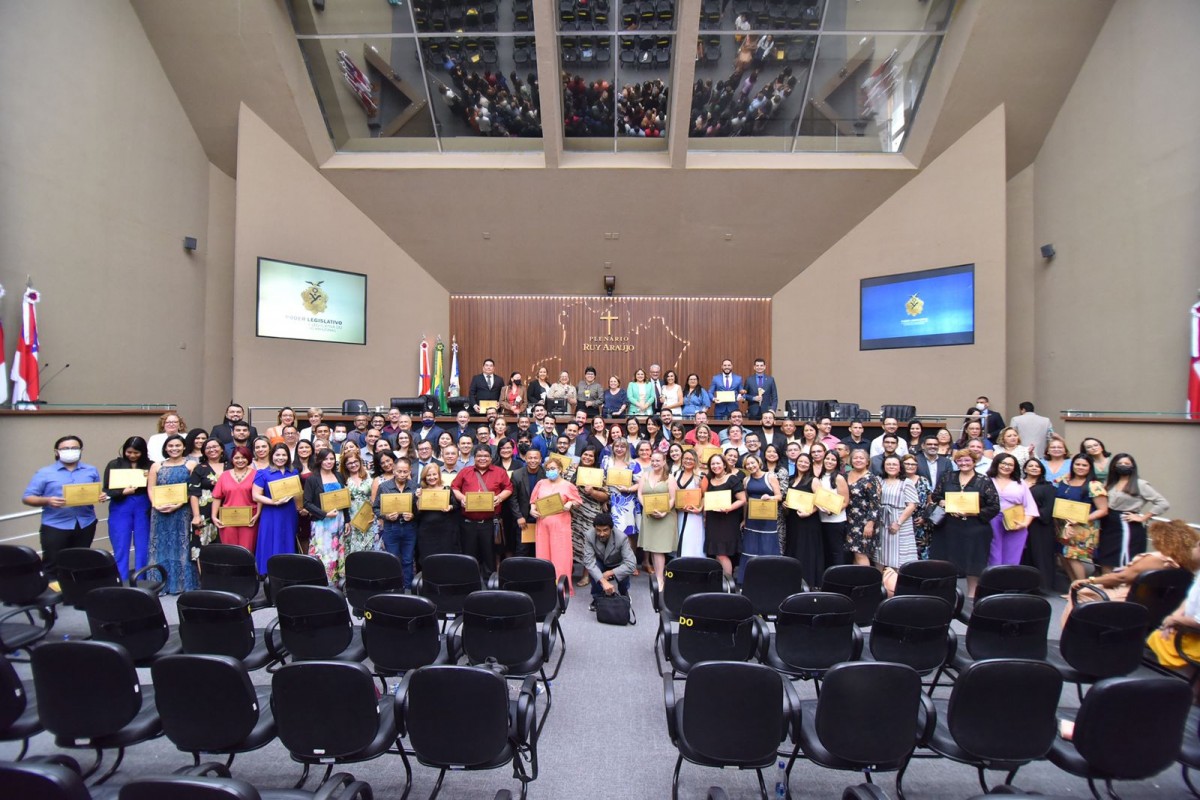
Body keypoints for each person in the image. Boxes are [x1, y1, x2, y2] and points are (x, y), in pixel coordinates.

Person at [1069, 518, 1198, 623]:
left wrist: (1090, 580)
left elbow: (1121, 578)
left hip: (1130, 599)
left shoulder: (1156, 559)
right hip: (1156, 606)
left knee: (1079, 590)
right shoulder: (1185, 563)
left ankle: (1072, 635)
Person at [930, 448, 1001, 595]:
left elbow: (994, 507)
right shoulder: (947, 477)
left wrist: (974, 512)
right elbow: (936, 495)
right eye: (960, 460)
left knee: (973, 563)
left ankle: (971, 596)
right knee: (946, 562)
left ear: (974, 462)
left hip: (975, 528)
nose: (963, 463)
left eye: (967, 460)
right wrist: (943, 502)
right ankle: (946, 594)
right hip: (948, 527)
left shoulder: (984, 481)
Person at [1097, 453, 1169, 573]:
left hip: (1126, 525)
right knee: (1106, 559)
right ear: (1114, 466)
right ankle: (1106, 590)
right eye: (1119, 463)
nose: (1123, 466)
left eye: (1126, 464)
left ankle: (1123, 591)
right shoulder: (1109, 483)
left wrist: (1144, 517)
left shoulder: (1141, 484)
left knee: (1125, 562)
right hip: (1108, 525)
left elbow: (1162, 503)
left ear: (1133, 466)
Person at [451, 444, 514, 579]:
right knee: (468, 556)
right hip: (468, 523)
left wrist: (499, 498)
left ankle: (489, 586)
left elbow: (509, 488)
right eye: (479, 456)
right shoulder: (465, 471)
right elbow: (454, 487)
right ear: (474, 458)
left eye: (486, 456)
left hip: (489, 523)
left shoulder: (499, 472)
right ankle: (469, 583)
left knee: (489, 556)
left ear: (491, 458)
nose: (482, 458)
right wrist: (461, 498)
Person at [147, 434, 197, 593]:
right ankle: (159, 584)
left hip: (182, 511)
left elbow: (192, 489)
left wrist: (178, 504)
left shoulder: (191, 465)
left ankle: (182, 584)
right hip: (159, 512)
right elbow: (151, 488)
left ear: (183, 447)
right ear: (165, 448)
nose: (174, 449)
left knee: (182, 545)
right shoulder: (156, 466)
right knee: (160, 545)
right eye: (170, 446)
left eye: (177, 446)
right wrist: (156, 504)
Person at [529, 453, 582, 593]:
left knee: (561, 555)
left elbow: (578, 501)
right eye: (547, 469)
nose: (550, 471)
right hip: (543, 524)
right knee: (543, 554)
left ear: (560, 469)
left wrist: (570, 503)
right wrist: (532, 510)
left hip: (560, 524)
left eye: (553, 468)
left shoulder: (568, 485)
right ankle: (544, 585)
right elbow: (533, 501)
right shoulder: (540, 483)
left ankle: (561, 586)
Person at [103, 437, 152, 581]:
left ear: (143, 452)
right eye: (129, 452)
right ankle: (122, 580)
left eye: (136, 453)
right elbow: (106, 490)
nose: (132, 455)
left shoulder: (150, 465)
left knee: (143, 545)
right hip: (121, 505)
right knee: (121, 545)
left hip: (143, 504)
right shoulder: (115, 464)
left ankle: (142, 580)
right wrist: (121, 492)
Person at [1055, 454, 1109, 583]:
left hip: (1083, 527)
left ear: (1090, 468)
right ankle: (1073, 587)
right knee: (1064, 555)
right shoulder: (1064, 480)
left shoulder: (1094, 485)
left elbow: (1103, 510)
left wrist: (1080, 519)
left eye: (1084, 465)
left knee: (1073, 555)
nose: (1080, 467)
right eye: (1077, 464)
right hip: (1063, 525)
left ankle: (1082, 587)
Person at [252, 443, 301, 575]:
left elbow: (297, 493)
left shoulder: (294, 472)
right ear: (271, 456)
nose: (281, 458)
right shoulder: (263, 473)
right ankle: (269, 571)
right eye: (277, 455)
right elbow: (255, 495)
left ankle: (287, 570)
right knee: (270, 538)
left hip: (289, 511)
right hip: (271, 512)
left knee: (287, 537)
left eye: (284, 455)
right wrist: (273, 502)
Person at [986, 453, 1040, 567]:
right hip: (991, 520)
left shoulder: (1020, 483)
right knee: (993, 556)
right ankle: (993, 583)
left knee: (1012, 557)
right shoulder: (986, 480)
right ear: (996, 463)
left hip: (1015, 521)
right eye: (1003, 463)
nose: (1006, 466)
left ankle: (1008, 583)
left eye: (1010, 464)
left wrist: (1024, 523)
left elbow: (1030, 506)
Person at [303, 448, 349, 583]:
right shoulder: (312, 479)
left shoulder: (339, 476)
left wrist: (347, 520)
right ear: (319, 461)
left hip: (338, 520)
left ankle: (336, 583)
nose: (329, 462)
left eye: (331, 459)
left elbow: (344, 500)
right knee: (322, 553)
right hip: (322, 522)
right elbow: (307, 502)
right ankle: (321, 582)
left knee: (337, 552)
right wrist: (324, 514)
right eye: (325, 459)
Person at [373, 457, 419, 588]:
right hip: (391, 528)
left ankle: (408, 589)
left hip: (409, 528)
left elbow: (420, 510)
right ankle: (395, 589)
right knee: (393, 560)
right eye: (399, 471)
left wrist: (413, 515)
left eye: (405, 471)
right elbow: (375, 507)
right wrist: (386, 516)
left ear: (410, 471)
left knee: (408, 560)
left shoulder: (415, 487)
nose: (402, 474)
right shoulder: (384, 487)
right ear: (393, 470)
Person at [738, 454, 781, 582]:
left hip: (768, 518)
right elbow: (746, 502)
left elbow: (779, 496)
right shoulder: (746, 480)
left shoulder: (770, 476)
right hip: (752, 519)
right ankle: (749, 579)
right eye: (748, 465)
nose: (751, 466)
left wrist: (770, 497)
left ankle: (769, 579)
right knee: (750, 548)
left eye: (753, 463)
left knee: (767, 547)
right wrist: (745, 519)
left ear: (759, 462)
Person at [703, 453, 746, 579]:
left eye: (718, 463)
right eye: (713, 464)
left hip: (727, 520)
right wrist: (705, 517)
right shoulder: (709, 480)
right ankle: (721, 581)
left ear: (724, 464)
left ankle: (728, 583)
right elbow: (705, 499)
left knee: (723, 553)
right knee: (716, 551)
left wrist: (729, 508)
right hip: (713, 520)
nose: (715, 466)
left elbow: (742, 499)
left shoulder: (732, 478)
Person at [638, 451, 677, 587]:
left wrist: (664, 512)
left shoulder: (670, 478)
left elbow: (673, 498)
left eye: (658, 461)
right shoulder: (645, 475)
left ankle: (660, 579)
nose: (655, 463)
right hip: (649, 516)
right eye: (653, 460)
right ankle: (658, 576)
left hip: (665, 517)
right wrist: (647, 507)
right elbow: (640, 494)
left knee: (659, 549)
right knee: (653, 548)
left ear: (664, 461)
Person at [582, 512, 637, 610]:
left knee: (624, 570)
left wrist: (610, 573)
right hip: (601, 562)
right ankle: (597, 597)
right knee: (594, 569)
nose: (601, 534)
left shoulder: (622, 537)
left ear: (611, 528)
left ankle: (624, 593)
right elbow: (589, 562)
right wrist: (603, 581)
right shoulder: (589, 536)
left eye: (605, 530)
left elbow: (631, 564)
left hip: (617, 563)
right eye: (598, 530)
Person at [571, 446, 609, 587]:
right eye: (585, 454)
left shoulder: (599, 474)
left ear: (595, 459)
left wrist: (592, 492)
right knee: (572, 544)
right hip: (573, 514)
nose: (587, 458)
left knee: (588, 545)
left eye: (591, 456)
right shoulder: (572, 470)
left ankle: (586, 575)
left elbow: (606, 495)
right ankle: (569, 570)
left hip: (591, 515)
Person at [783, 453, 822, 587]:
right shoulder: (791, 479)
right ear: (796, 463)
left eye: (806, 462)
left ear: (810, 464)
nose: (803, 464)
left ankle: (808, 581)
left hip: (808, 520)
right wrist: (785, 505)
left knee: (807, 549)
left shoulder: (814, 480)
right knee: (794, 547)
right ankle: (793, 580)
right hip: (793, 520)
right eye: (800, 461)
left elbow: (821, 502)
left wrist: (809, 512)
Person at [211, 446, 259, 551]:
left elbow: (260, 497)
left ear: (249, 458)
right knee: (230, 551)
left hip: (250, 519)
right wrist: (214, 516)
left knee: (247, 550)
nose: (240, 460)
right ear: (232, 459)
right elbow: (217, 497)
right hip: (228, 520)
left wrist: (257, 515)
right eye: (237, 458)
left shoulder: (257, 475)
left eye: (243, 457)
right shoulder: (224, 476)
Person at [1021, 457, 1059, 593]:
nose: (1034, 468)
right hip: (1019, 524)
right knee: (1024, 555)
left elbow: (1048, 508)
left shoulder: (1048, 487)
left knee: (1040, 555)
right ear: (1025, 469)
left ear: (1042, 470)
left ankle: (1042, 586)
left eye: (1037, 466)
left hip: (1040, 526)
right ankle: (1024, 584)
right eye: (1030, 466)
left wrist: (1030, 514)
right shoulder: (1018, 484)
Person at [875, 455, 918, 570]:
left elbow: (911, 505)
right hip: (882, 521)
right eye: (888, 464)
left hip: (900, 522)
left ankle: (895, 585)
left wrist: (898, 523)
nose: (891, 467)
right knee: (881, 555)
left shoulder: (906, 482)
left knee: (899, 557)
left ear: (900, 467)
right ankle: (880, 585)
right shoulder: (879, 480)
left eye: (894, 464)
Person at [188, 438, 227, 561]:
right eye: (208, 448)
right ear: (203, 451)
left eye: (215, 446)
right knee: (202, 548)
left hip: (228, 510)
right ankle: (205, 579)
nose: (212, 450)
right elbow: (193, 493)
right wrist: (196, 515)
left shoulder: (231, 465)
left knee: (226, 547)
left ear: (221, 449)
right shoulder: (200, 468)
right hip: (204, 513)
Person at [416, 462, 462, 560]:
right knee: (428, 558)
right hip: (427, 531)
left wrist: (450, 507)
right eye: (428, 475)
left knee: (446, 558)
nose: (432, 477)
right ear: (424, 477)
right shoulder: (420, 491)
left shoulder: (447, 489)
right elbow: (416, 512)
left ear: (439, 475)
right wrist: (418, 498)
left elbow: (456, 506)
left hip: (446, 531)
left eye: (434, 474)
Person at [845, 449, 883, 567]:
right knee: (854, 553)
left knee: (861, 553)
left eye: (861, 458)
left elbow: (875, 503)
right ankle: (858, 581)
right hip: (849, 519)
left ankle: (867, 583)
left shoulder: (871, 478)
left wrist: (870, 523)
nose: (858, 460)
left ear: (867, 461)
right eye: (855, 458)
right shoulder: (846, 475)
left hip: (864, 521)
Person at [814, 451, 850, 572]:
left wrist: (832, 510)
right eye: (827, 459)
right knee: (824, 551)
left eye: (833, 460)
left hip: (835, 521)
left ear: (837, 463)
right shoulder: (819, 476)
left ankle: (838, 577)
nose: (829, 462)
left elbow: (845, 502)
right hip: (820, 519)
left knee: (836, 552)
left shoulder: (839, 478)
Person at [342, 452, 380, 555]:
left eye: (355, 461)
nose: (353, 465)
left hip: (368, 514)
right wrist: (347, 520)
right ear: (345, 465)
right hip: (351, 516)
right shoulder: (343, 479)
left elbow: (375, 497)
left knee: (370, 544)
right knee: (353, 547)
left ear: (360, 461)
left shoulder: (370, 475)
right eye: (349, 463)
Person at [674, 448, 706, 558]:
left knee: (692, 539)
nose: (688, 461)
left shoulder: (701, 475)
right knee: (679, 538)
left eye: (691, 459)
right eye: (686, 458)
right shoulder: (675, 474)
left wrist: (700, 508)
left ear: (695, 461)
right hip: (679, 513)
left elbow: (705, 495)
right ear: (682, 460)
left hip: (694, 514)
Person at [901, 454, 934, 561]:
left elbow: (930, 502)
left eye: (913, 464)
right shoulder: (898, 480)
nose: (910, 466)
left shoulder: (923, 480)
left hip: (920, 522)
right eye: (907, 464)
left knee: (921, 552)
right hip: (902, 521)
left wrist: (925, 517)